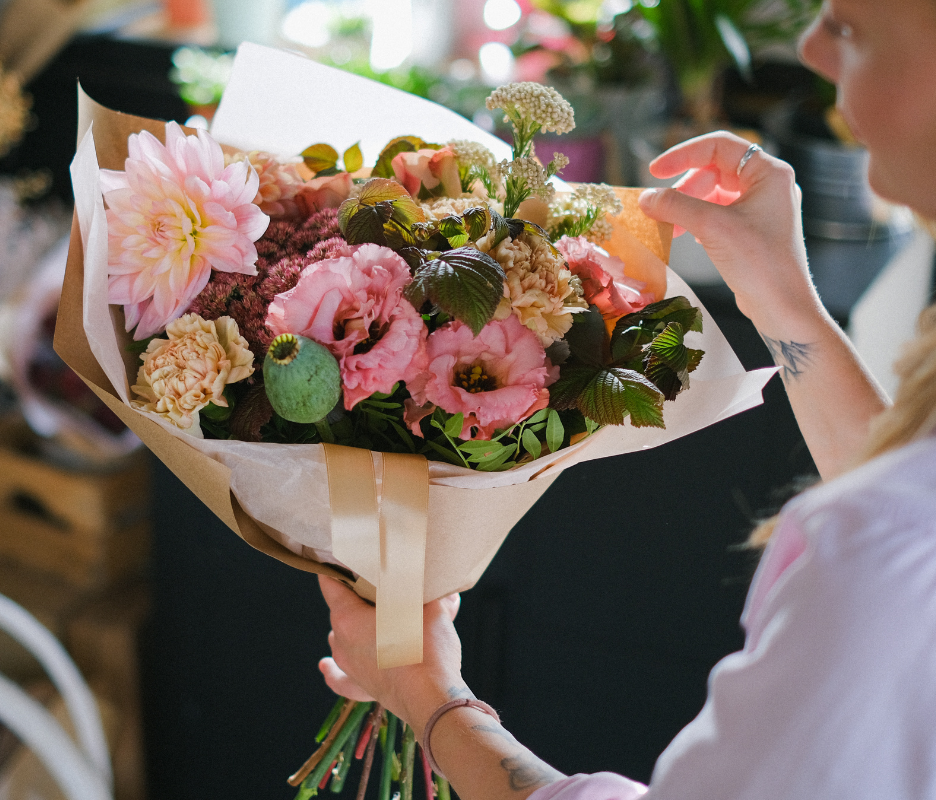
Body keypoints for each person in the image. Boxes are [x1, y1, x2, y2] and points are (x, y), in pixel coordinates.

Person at [316, 0, 936, 796]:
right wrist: (779, 293)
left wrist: (425, 696)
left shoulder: (871, 548)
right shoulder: (887, 531)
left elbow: (893, 539)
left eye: (849, 26)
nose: (811, 49)